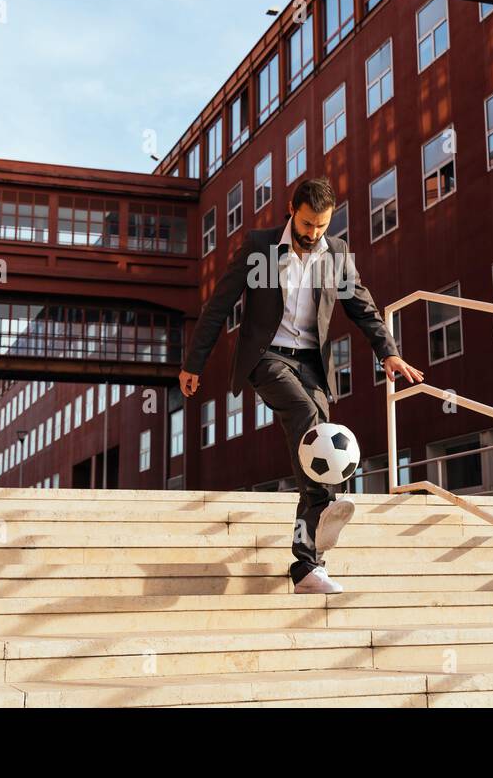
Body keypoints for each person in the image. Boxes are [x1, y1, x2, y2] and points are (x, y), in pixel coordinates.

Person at [179, 176, 425, 594]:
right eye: (308, 224)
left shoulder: (337, 255)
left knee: (317, 454)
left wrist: (389, 352)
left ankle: (308, 565)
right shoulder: (259, 248)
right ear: (292, 211)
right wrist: (193, 363)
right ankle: (326, 510)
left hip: (312, 364)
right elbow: (220, 304)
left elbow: (363, 308)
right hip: (267, 359)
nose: (313, 234)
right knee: (310, 421)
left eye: (322, 226)